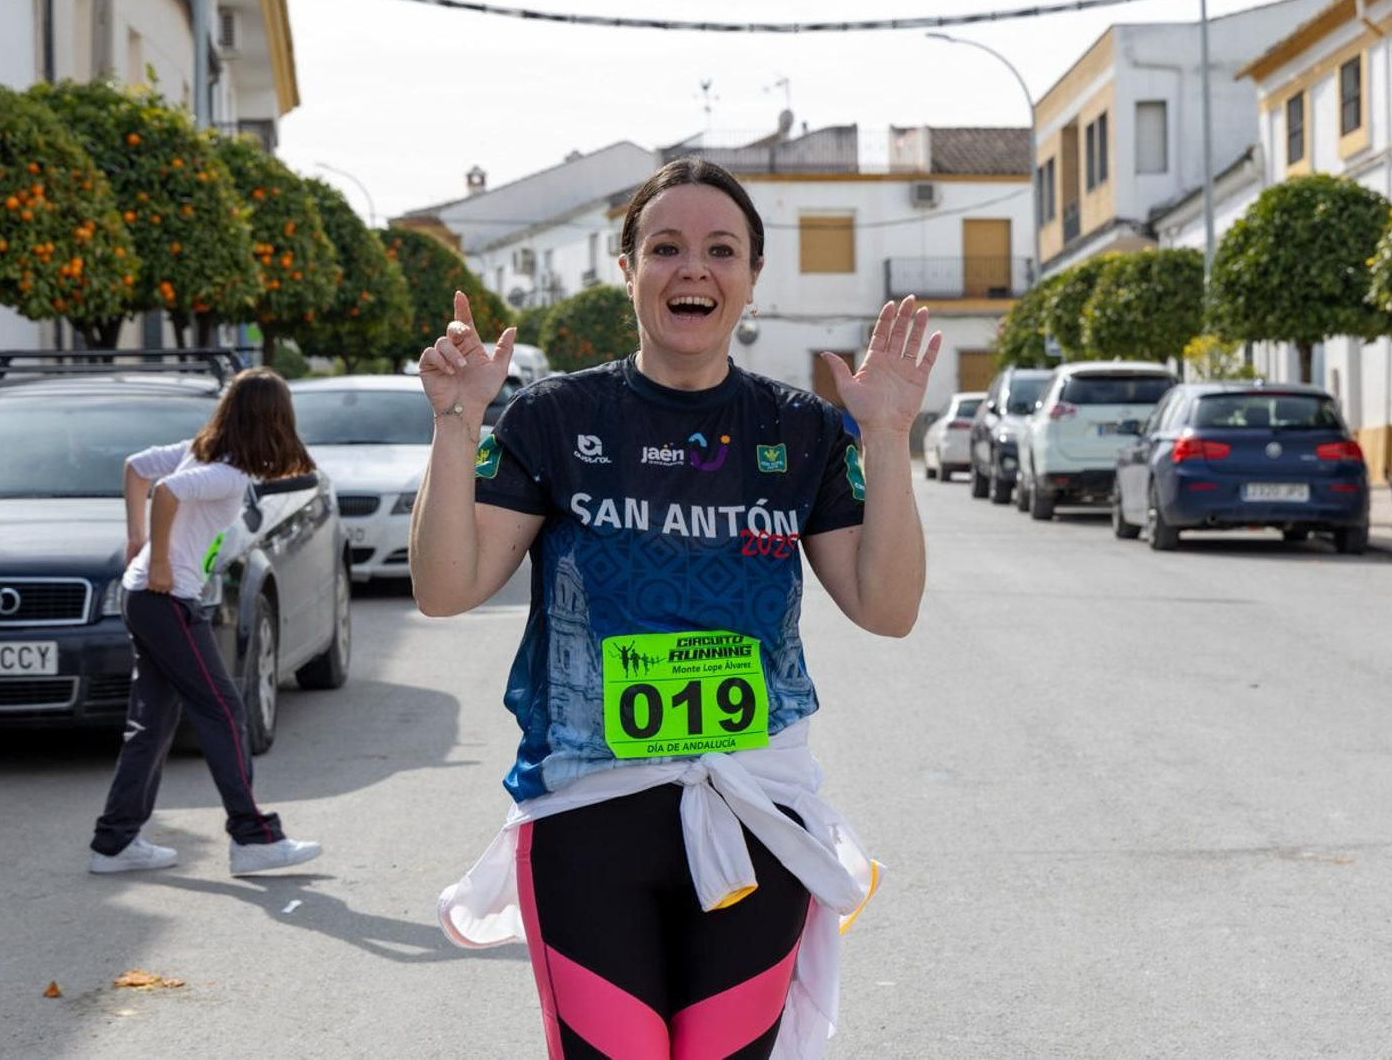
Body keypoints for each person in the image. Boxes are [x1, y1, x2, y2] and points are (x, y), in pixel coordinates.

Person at [413, 157, 941, 1058]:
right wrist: (457, 427)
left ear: (751, 278)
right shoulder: (552, 417)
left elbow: (888, 609)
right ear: (628, 270)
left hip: (753, 818)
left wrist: (886, 437)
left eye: (720, 250)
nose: (692, 268)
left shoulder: (800, 431)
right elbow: (444, 587)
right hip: (584, 819)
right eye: (665, 248)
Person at [89, 367, 323, 877]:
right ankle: (252, 837)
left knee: (151, 724)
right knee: (223, 711)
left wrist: (137, 540)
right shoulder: (225, 473)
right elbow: (166, 491)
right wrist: (158, 561)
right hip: (166, 599)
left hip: (145, 597)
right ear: (271, 420)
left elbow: (135, 468)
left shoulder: (202, 452)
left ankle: (114, 842)